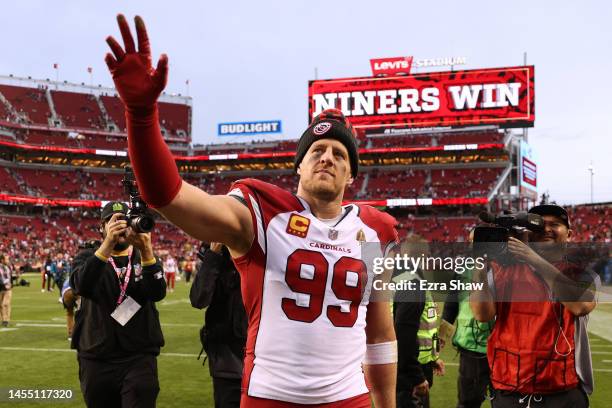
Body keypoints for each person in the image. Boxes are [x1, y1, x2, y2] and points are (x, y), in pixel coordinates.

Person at [104, 14, 398, 407]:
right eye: (317, 150)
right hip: (270, 396)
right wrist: (141, 117)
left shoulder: (374, 231)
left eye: (339, 154)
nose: (326, 158)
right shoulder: (262, 212)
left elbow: (379, 335)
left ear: (350, 176)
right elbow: (168, 196)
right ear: (299, 165)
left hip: (349, 398)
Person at [470, 205, 599, 408]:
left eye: (555, 224)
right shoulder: (502, 270)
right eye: (540, 225)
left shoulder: (580, 272)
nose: (547, 229)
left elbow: (581, 305)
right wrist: (479, 267)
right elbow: (482, 314)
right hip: (510, 391)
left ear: (570, 234)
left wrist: (532, 257)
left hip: (562, 392)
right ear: (528, 232)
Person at [70, 201, 166, 408]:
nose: (119, 226)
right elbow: (81, 286)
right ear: (101, 227)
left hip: (138, 355)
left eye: (124, 221)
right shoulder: (87, 256)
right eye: (112, 222)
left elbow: (158, 293)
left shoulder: (144, 256)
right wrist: (108, 244)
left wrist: (147, 249)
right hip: (97, 355)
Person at [190, 242, 247, 408]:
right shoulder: (218, 261)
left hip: (261, 361)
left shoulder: (259, 260)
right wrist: (213, 255)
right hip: (227, 361)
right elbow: (199, 299)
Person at [441, 229, 493, 408]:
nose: (473, 245)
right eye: (471, 241)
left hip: (503, 346)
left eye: (477, 241)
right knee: (467, 402)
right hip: (471, 346)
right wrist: (442, 334)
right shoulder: (464, 266)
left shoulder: (508, 266)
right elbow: (451, 303)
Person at [393, 237, 445, 408]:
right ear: (424, 256)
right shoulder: (412, 285)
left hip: (414, 363)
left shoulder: (403, 277)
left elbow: (421, 326)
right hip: (410, 373)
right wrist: (415, 375)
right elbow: (403, 333)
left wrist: (432, 358)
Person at [0, 254, 13, 327]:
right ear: (2, 260)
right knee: (0, 305)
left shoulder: (9, 267)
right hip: (0, 288)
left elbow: (9, 277)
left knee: (6, 304)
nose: (8, 261)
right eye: (6, 259)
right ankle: (3, 319)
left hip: (8, 288)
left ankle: (6, 320)